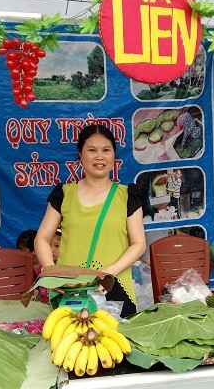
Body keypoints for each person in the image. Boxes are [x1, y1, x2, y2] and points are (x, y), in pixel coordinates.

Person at [35, 124, 146, 317]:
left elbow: (139, 244)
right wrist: (53, 275)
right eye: (92, 150)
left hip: (114, 288)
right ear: (80, 154)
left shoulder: (128, 195)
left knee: (120, 345)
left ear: (114, 155)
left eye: (106, 150)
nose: (99, 156)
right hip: (68, 290)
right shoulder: (63, 194)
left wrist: (109, 272)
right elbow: (42, 238)